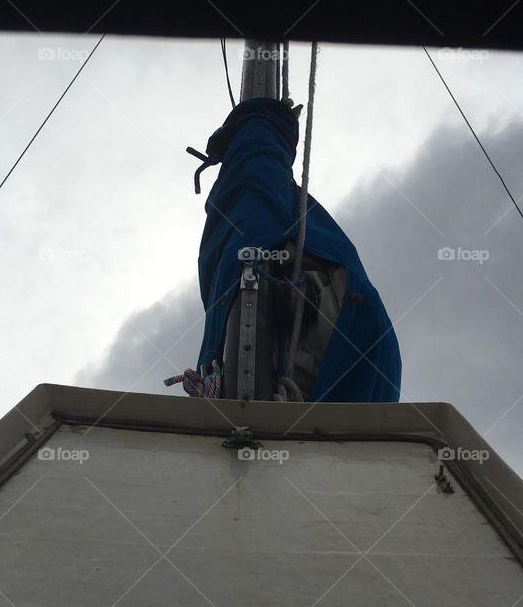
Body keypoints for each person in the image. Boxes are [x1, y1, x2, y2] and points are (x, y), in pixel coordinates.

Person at [171, 97, 401, 403]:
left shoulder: (257, 193)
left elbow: (253, 186)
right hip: (355, 369)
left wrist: (263, 122)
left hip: (339, 357)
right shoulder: (296, 214)